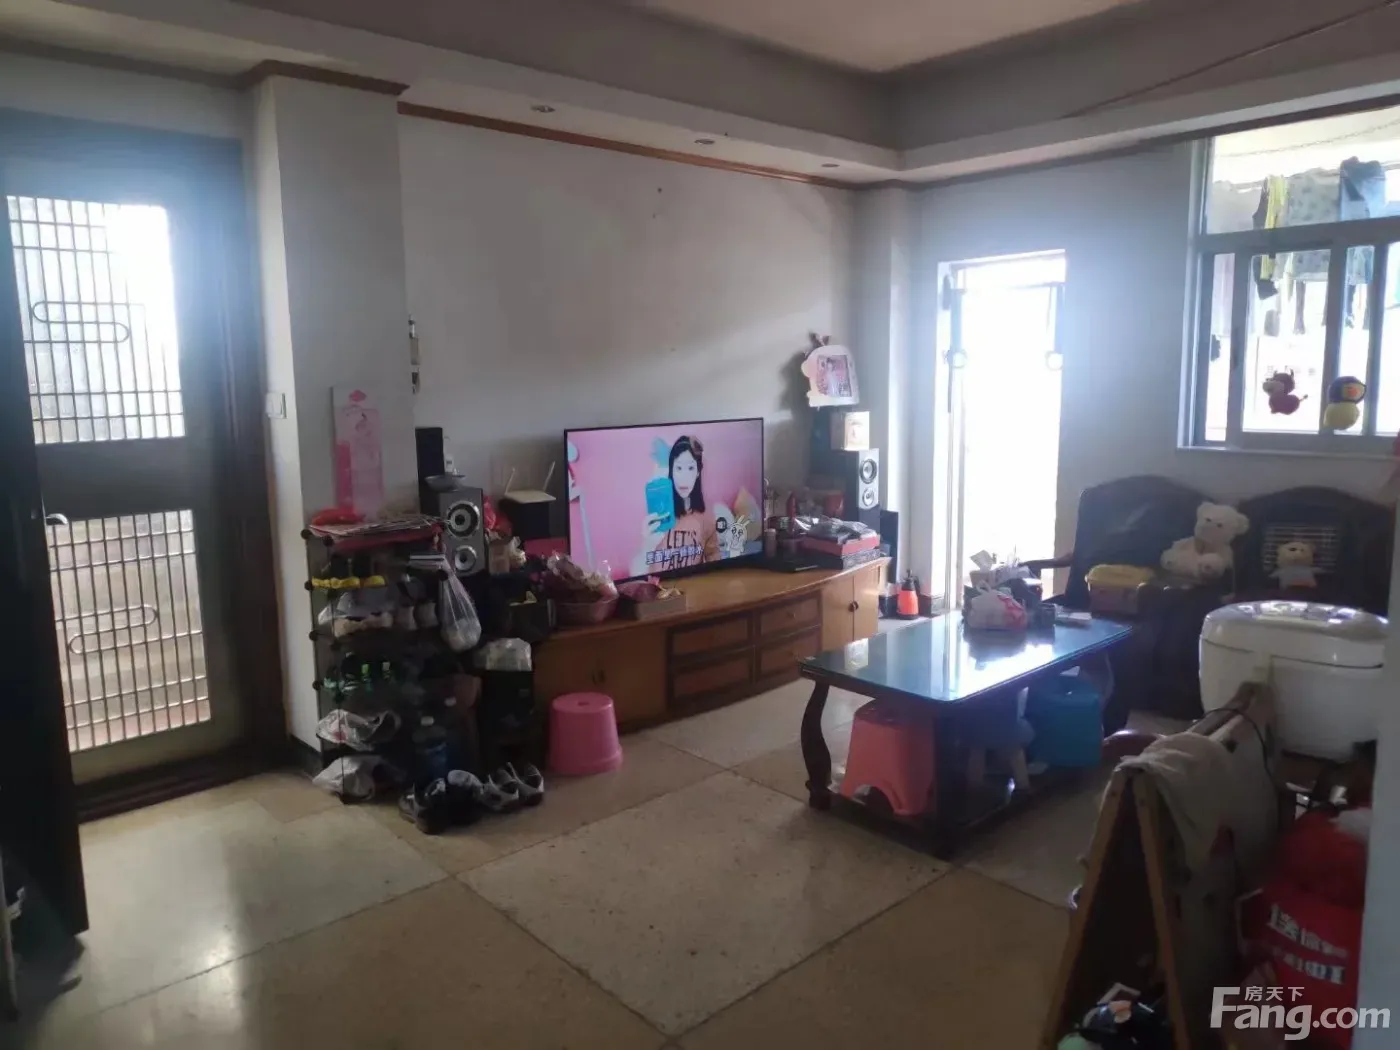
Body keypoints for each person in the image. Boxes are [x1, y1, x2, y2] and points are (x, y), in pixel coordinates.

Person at [637, 435, 720, 574]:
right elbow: (636, 572)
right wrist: (647, 545)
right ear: (672, 471)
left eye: (690, 468)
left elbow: (714, 559)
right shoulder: (657, 515)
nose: (684, 477)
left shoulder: (707, 517)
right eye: (679, 468)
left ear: (698, 471)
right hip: (658, 586)